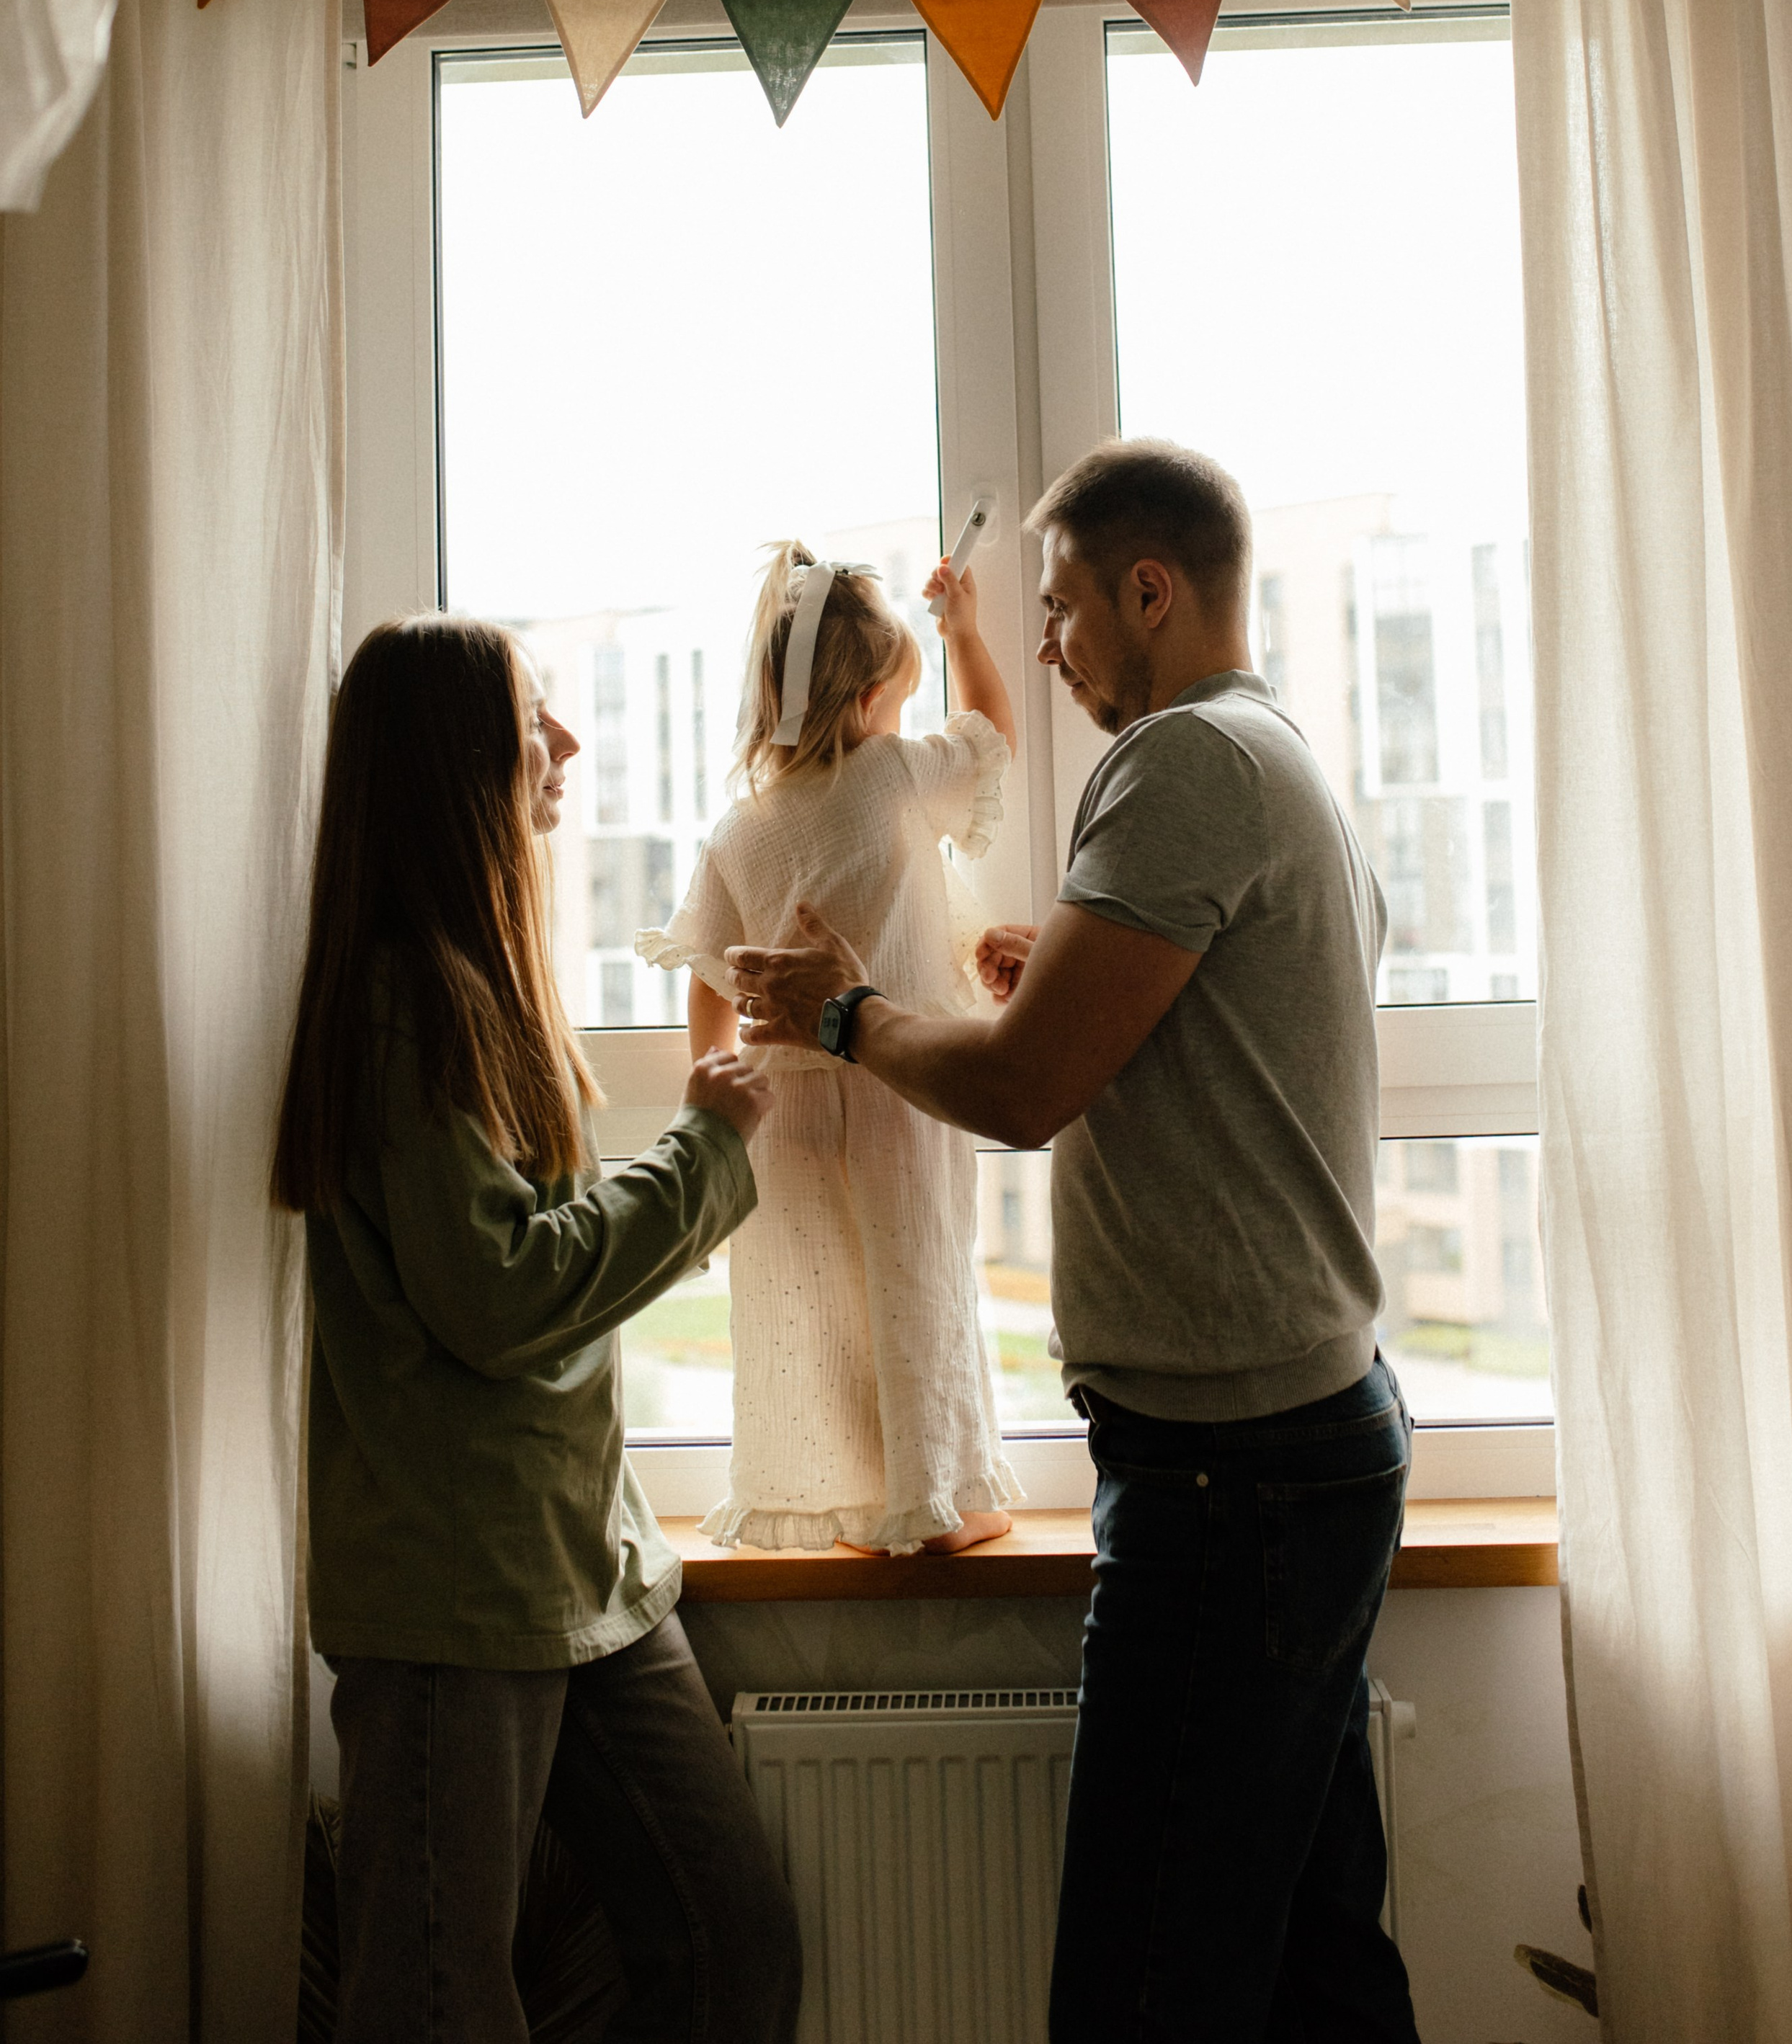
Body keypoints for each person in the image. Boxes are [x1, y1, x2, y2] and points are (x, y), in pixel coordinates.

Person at [730, 440, 1422, 2044]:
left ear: (1148, 591)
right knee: (1318, 1969)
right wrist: (1080, 958)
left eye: (1056, 610)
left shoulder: (1180, 762)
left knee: (1139, 1992)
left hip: (1228, 1481)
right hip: (1301, 1444)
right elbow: (1259, 1026)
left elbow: (1026, 1088)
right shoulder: (1276, 752)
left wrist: (842, 1013)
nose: (1040, 645)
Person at [270, 613, 801, 2044]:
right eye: (531, 721)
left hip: (586, 1574)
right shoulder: (404, 1007)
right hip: (456, 1603)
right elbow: (501, 1295)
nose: (564, 746)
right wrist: (708, 1146)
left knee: (729, 1941)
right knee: (437, 2007)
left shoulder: (485, 984)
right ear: (454, 767)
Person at [637, 541, 1021, 1553]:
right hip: (892, 1084)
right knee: (914, 1284)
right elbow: (992, 738)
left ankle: (836, 1496)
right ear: (865, 708)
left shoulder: (741, 828)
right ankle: (934, 1502)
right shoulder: (894, 776)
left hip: (776, 1114)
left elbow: (709, 985)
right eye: (901, 696)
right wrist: (969, 633)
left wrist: (707, 1118)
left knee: (812, 1310)